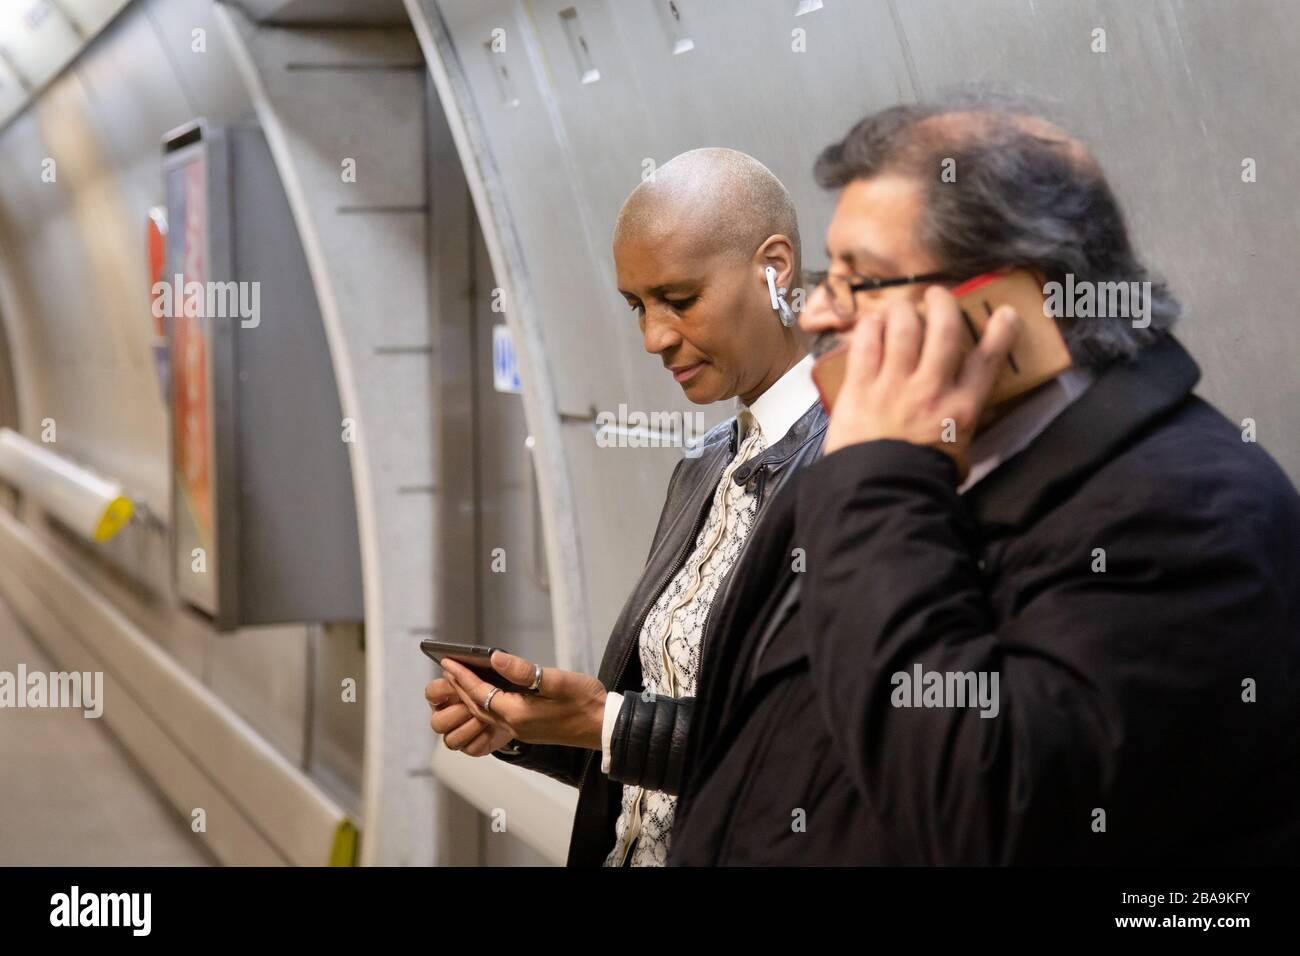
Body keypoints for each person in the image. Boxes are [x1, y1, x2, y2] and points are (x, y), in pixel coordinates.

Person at [668, 100, 1300, 865]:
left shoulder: (1188, 517)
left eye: (861, 279)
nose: (819, 310)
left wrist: (877, 484)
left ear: (1007, 306)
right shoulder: (880, 467)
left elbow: (985, 806)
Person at [425, 148, 827, 865]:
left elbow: (803, 758)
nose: (654, 338)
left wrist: (599, 718)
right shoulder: (704, 466)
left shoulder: (848, 471)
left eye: (680, 298)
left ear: (775, 267)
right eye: (638, 306)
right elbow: (651, 765)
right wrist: (531, 727)